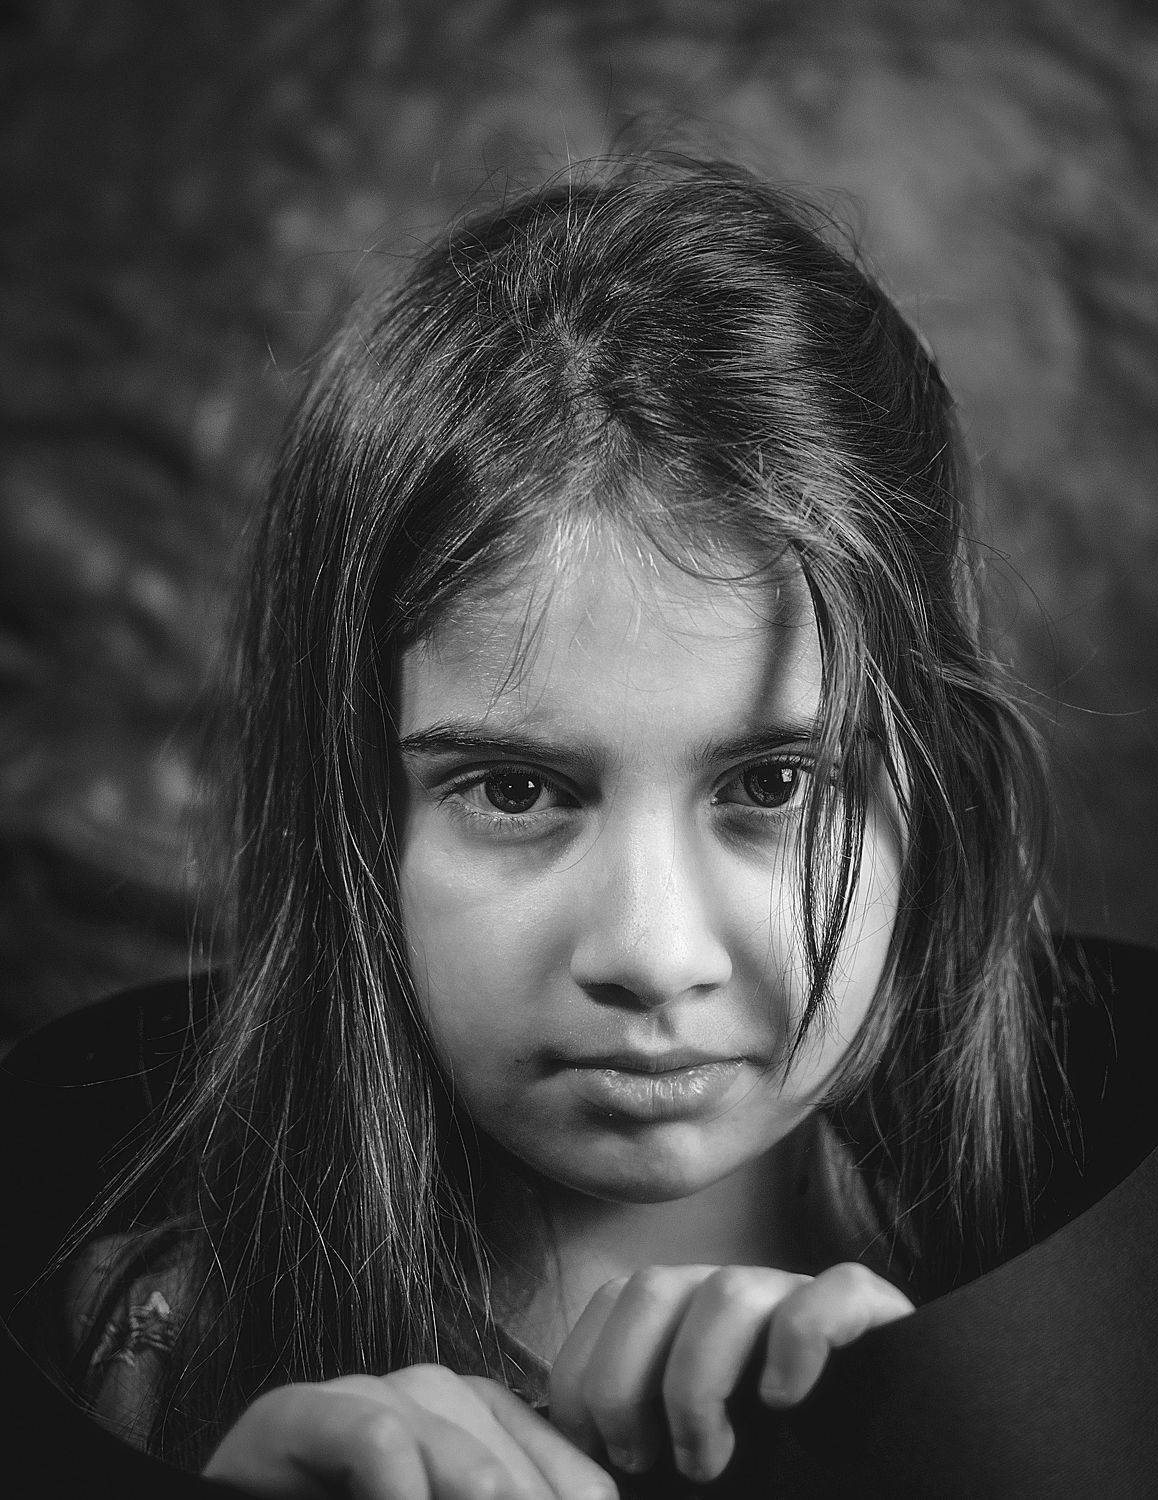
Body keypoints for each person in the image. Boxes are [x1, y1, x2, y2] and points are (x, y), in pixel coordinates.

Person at [37, 154, 1101, 1497]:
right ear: (354, 817)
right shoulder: (153, 1356)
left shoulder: (1109, 1320)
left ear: (931, 788)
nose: (652, 955)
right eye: (515, 791)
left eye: (775, 786)